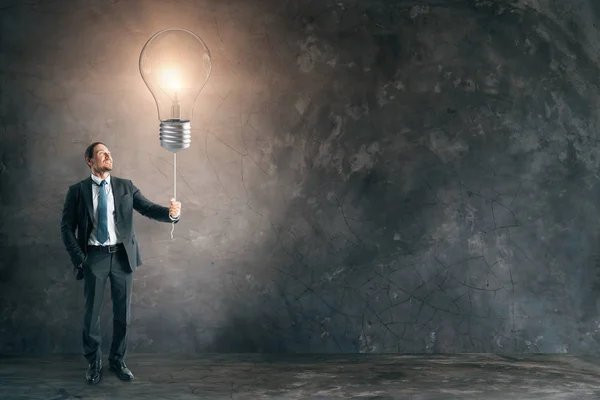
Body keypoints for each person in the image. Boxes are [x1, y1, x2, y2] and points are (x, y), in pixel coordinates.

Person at [60, 142, 181, 384]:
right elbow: (66, 228)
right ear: (89, 161)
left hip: (123, 257)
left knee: (122, 314)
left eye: (109, 153)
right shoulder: (77, 191)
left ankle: (117, 360)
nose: (108, 156)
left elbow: (148, 208)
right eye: (102, 153)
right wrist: (81, 261)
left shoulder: (125, 187)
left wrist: (172, 214)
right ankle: (94, 362)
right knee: (91, 314)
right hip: (94, 257)